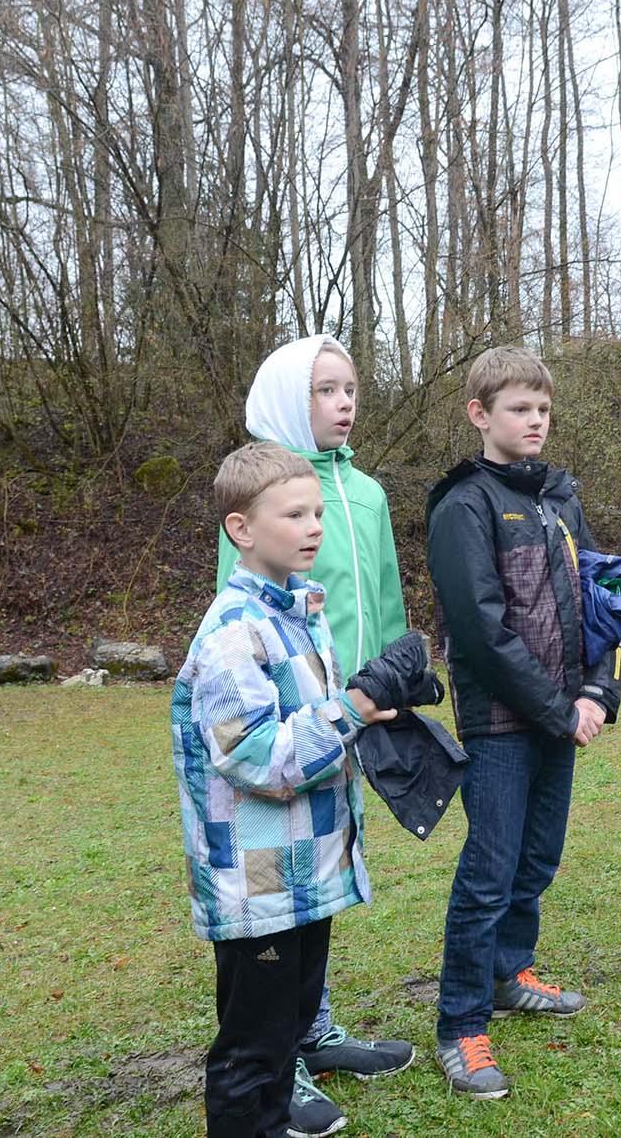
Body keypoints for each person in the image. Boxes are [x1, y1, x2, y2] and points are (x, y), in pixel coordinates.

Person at [215, 335, 415, 1117]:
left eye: (350, 388)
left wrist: (396, 683)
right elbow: (243, 614)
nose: (343, 402)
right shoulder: (259, 494)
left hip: (357, 710)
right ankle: (278, 1056)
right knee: (279, 889)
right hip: (293, 718)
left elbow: (385, 592)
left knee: (323, 870)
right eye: (324, 390)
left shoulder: (363, 491)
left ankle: (315, 1029)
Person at [173, 441, 396, 1138]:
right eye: (294, 513)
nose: (314, 526)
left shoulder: (299, 614)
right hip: (257, 884)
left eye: (319, 512)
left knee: (288, 1028)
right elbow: (260, 756)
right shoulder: (234, 632)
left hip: (304, 872)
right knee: (253, 1049)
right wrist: (353, 708)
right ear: (241, 528)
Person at [426, 346, 621, 1099]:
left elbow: (601, 599)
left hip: (563, 716)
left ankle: (512, 972)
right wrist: (555, 708)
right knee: (488, 871)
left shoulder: (559, 498)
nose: (534, 420)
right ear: (480, 414)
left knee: (536, 860)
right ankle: (460, 1024)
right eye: (518, 408)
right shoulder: (463, 505)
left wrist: (598, 692)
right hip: (502, 724)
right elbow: (478, 630)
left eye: (542, 408)